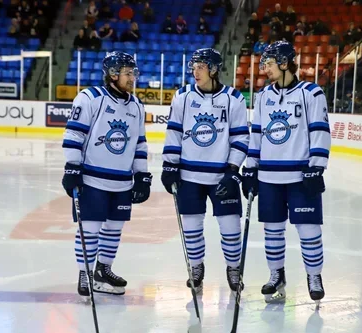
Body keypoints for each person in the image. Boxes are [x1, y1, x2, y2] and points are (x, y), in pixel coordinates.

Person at [241, 41, 331, 304]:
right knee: (272, 229)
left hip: (301, 176)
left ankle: (314, 276)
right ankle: (276, 274)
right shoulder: (263, 96)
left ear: (284, 63)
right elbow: (255, 135)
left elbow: (320, 131)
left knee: (309, 229)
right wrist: (250, 168)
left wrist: (317, 166)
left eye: (268, 63)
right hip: (269, 177)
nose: (264, 69)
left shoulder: (311, 93)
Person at [61, 51, 152, 298]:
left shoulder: (136, 105)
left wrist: (142, 175)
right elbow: (74, 135)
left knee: (114, 228)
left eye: (134, 72)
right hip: (92, 179)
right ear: (113, 75)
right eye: (128, 73)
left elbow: (139, 144)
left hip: (122, 182)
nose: (133, 77)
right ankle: (86, 272)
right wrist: (72, 167)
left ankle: (103, 270)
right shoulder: (90, 98)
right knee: (89, 228)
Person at [161, 48, 249, 293]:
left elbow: (241, 137)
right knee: (191, 227)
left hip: (221, 176)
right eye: (193, 66)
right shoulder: (183, 96)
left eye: (200, 66)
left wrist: (233, 169)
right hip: (189, 176)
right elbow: (174, 133)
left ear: (213, 69)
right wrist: (170, 165)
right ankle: (196, 266)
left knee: (231, 227)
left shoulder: (234, 98)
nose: (195, 71)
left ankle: (233, 268)